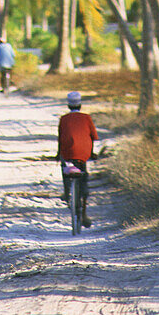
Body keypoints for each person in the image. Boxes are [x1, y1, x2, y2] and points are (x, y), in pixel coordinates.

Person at [56, 90, 98, 228]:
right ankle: (84, 213)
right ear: (80, 105)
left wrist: (58, 154)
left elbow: (60, 138)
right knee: (83, 178)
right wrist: (92, 153)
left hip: (67, 152)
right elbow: (93, 136)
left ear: (68, 106)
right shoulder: (87, 118)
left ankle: (67, 192)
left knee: (66, 169)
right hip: (83, 153)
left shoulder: (63, 119)